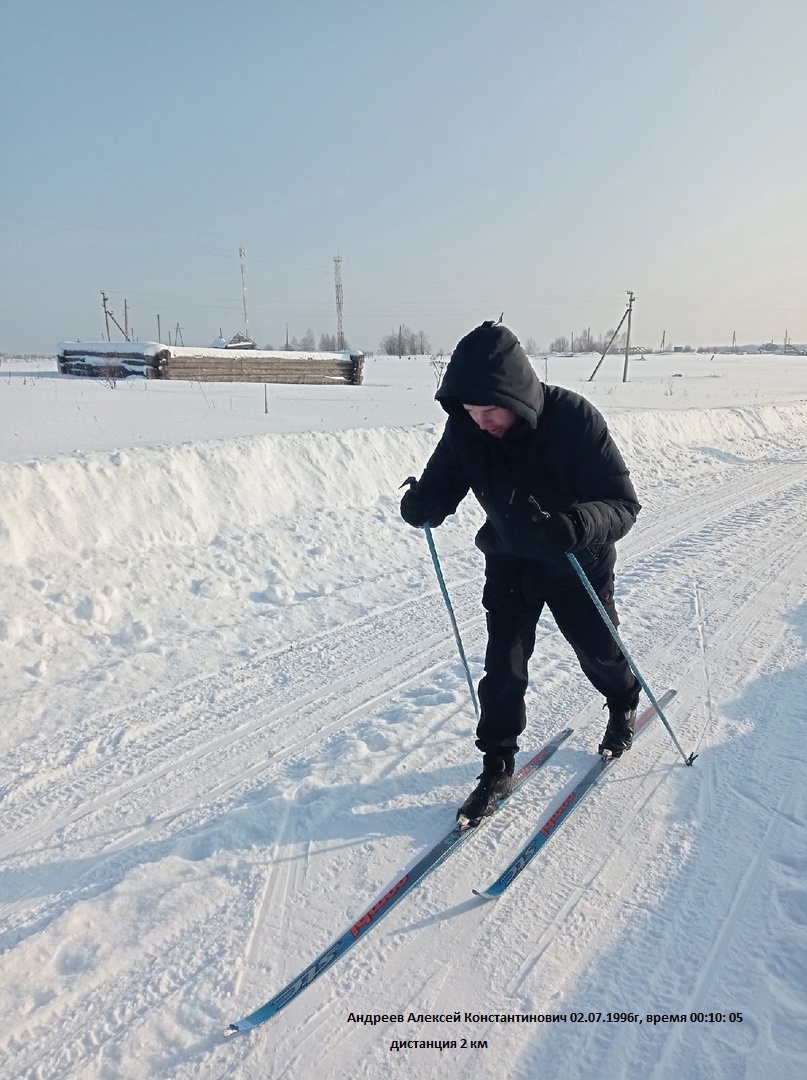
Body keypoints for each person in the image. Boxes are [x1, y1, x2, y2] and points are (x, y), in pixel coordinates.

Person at [400, 321, 642, 826]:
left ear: (514, 392)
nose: (480, 421)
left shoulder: (574, 419)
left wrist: (578, 524)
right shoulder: (467, 427)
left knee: (598, 649)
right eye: (470, 412)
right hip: (511, 562)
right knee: (504, 669)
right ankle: (497, 763)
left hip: (576, 560)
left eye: (489, 410)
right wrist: (426, 502)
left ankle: (623, 701)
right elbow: (445, 479)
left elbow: (622, 504)